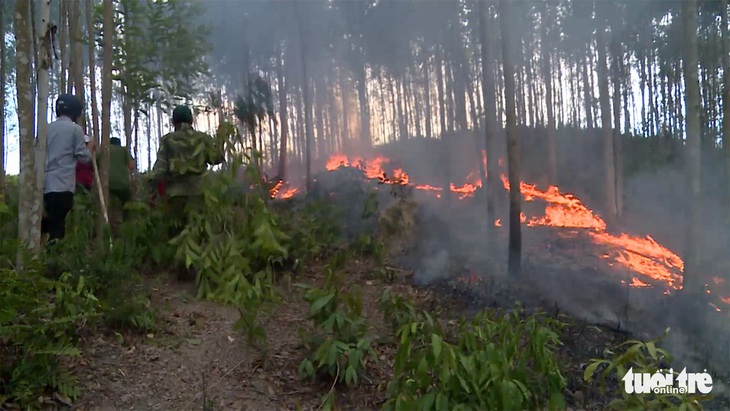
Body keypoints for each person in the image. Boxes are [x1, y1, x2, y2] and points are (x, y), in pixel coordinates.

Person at [150, 105, 224, 278]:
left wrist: (152, 189)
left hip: (176, 194)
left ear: (173, 121)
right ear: (191, 120)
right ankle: (201, 269)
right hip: (200, 192)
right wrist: (220, 141)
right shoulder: (202, 138)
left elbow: (160, 168)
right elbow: (216, 158)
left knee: (178, 232)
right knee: (198, 230)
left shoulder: (167, 140)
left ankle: (182, 269)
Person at [42, 94, 96, 244]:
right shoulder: (75, 130)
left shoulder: (46, 129)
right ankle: (54, 262)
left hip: (45, 185)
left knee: (46, 225)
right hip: (63, 185)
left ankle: (40, 261)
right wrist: (90, 146)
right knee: (58, 228)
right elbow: (84, 157)